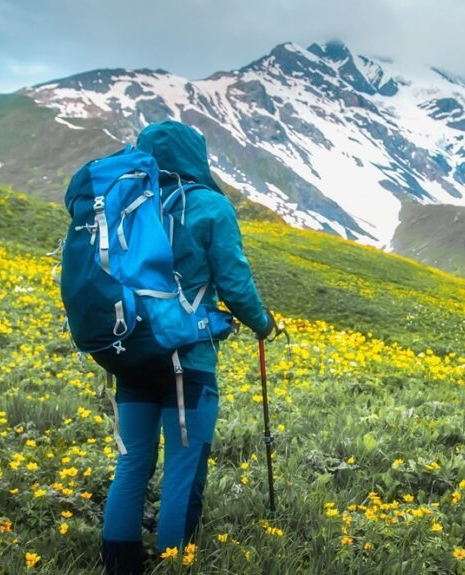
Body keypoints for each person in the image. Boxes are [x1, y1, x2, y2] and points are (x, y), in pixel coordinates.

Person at [100, 121, 275, 575]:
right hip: (188, 359)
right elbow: (235, 284)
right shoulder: (210, 206)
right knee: (183, 465)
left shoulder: (127, 204)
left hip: (132, 352)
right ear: (195, 156)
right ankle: (173, 564)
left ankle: (119, 565)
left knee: (132, 460)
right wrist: (263, 324)